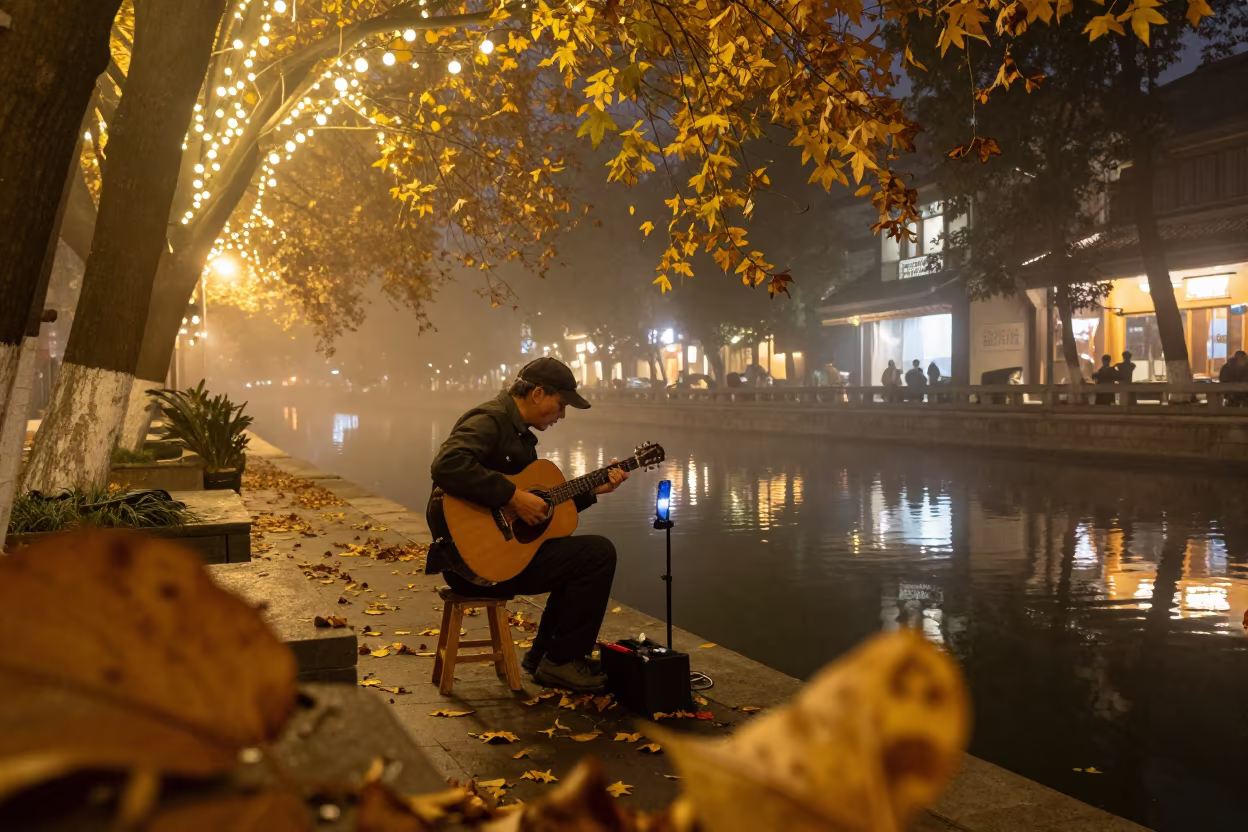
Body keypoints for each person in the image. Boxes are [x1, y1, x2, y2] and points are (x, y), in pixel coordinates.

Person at [425, 357, 629, 692]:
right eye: (560, 405)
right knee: (596, 555)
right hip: (471, 565)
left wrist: (593, 489)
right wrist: (513, 497)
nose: (561, 415)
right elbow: (447, 465)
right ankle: (560, 661)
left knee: (574, 553)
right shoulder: (489, 420)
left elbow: (539, 512)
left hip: (495, 557)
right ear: (537, 393)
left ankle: (546, 657)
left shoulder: (519, 434)